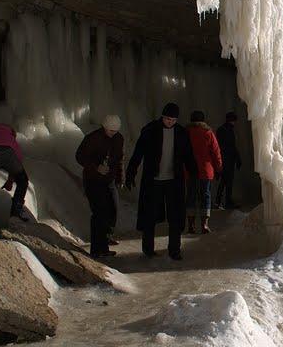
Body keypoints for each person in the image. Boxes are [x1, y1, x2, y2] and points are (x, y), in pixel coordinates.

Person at [125, 103, 197, 260]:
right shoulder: (150, 130)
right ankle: (148, 249)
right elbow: (138, 153)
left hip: (174, 181)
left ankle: (174, 250)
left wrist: (194, 174)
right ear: (162, 117)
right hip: (153, 180)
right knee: (149, 216)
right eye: (167, 119)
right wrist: (131, 172)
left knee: (175, 217)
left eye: (173, 120)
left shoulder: (181, 133)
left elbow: (188, 156)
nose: (170, 122)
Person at [75, 115, 124, 258]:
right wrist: (96, 167)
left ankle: (106, 236)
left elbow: (120, 158)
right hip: (93, 181)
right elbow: (79, 156)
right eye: (110, 131)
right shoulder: (93, 138)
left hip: (109, 181)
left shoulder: (119, 138)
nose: (112, 134)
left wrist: (120, 176)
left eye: (115, 131)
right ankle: (98, 248)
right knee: (99, 213)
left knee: (113, 208)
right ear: (104, 127)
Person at [186, 110, 222, 235]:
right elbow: (216, 152)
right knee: (205, 197)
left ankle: (190, 225)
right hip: (205, 171)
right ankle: (204, 224)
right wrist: (218, 168)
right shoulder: (208, 133)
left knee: (191, 196)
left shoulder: (186, 133)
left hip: (190, 171)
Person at [215, 111, 242, 210]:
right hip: (228, 160)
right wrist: (237, 158)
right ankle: (227, 202)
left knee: (224, 181)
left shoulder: (221, 129)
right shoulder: (228, 130)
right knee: (228, 182)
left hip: (223, 159)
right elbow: (232, 146)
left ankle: (219, 202)